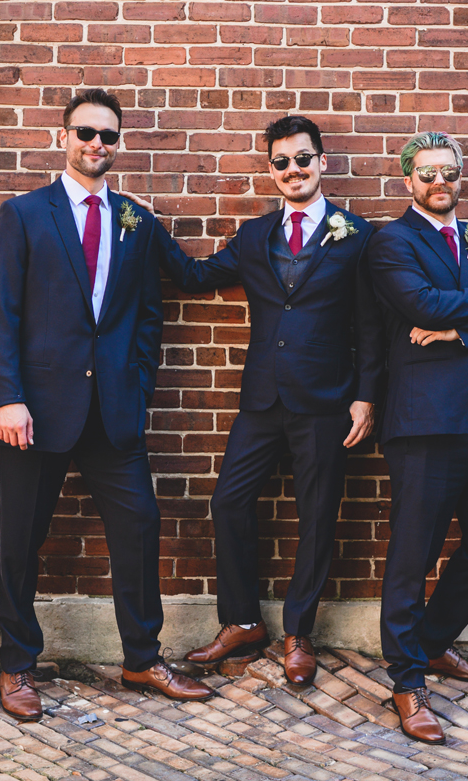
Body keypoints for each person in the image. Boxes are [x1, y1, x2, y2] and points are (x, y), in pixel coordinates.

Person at [0, 88, 213, 720]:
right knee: (22, 542)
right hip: (35, 414)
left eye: (108, 136)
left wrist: (137, 388)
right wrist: (7, 398)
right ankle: (16, 665)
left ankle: (141, 657)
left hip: (113, 411)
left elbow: (149, 315)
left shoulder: (134, 220)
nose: (96, 145)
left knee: (139, 528)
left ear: (119, 145)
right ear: (63, 137)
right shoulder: (25, 213)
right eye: (86, 132)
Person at [155, 115, 384, 686]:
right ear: (271, 170)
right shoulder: (255, 236)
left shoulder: (358, 236)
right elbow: (193, 275)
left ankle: (298, 633)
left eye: (303, 159)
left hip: (327, 401)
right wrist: (137, 223)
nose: (293, 170)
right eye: (281, 162)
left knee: (316, 518)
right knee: (229, 502)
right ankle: (241, 621)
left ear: (322, 163)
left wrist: (365, 397)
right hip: (261, 399)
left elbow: (372, 327)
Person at [367, 132, 468, 744]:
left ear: (461, 177)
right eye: (427, 172)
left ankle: (432, 643)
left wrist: (461, 333)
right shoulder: (391, 242)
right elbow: (420, 303)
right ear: (408, 180)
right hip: (425, 422)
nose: (440, 181)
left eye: (449, 171)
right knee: (411, 556)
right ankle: (408, 681)